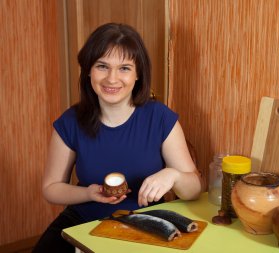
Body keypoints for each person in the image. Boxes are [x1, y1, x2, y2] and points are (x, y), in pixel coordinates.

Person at [32, 23, 202, 253]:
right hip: (84, 220)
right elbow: (51, 188)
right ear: (89, 70)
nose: (112, 79)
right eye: (102, 66)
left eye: (124, 68)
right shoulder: (71, 121)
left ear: (138, 74)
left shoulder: (160, 117)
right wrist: (88, 193)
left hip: (148, 223)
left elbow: (194, 190)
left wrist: (173, 175)